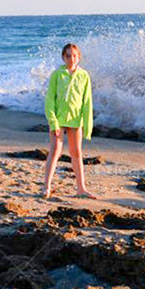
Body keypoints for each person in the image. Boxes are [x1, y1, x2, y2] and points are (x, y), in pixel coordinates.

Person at [43, 43, 97, 199]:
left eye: (74, 55)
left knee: (77, 153)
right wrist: (53, 121)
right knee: (54, 152)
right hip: (58, 120)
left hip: (75, 120)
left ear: (78, 57)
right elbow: (49, 100)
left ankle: (81, 188)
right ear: (63, 57)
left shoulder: (84, 75)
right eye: (68, 55)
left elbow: (87, 102)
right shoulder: (57, 74)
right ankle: (46, 187)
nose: (71, 58)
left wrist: (87, 125)